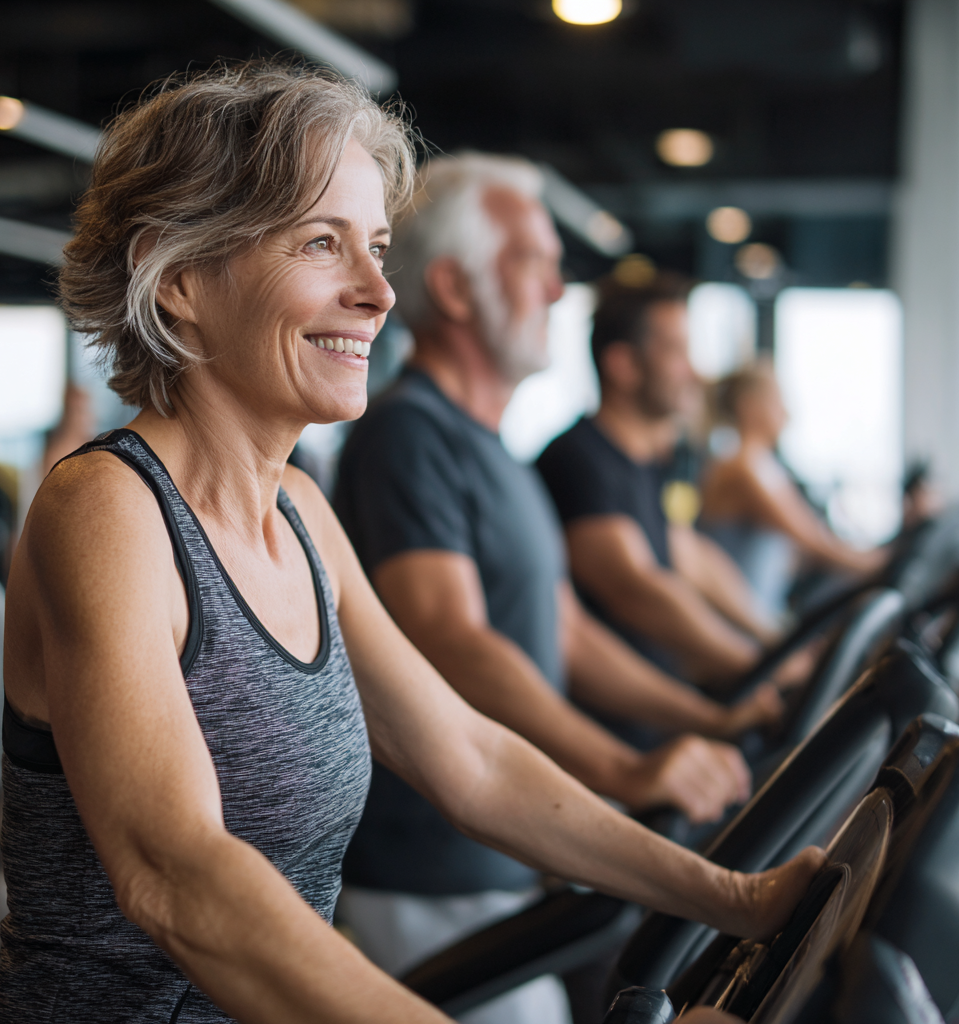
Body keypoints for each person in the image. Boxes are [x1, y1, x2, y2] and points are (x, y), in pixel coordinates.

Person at [0, 66, 822, 1024]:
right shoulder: (108, 510)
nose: (379, 292)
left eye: (377, 247)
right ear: (178, 280)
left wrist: (736, 898)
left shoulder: (300, 512)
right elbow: (177, 877)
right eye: (321, 243)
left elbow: (471, 761)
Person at [332, 154, 786, 1022]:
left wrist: (717, 717)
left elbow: (565, 630)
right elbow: (457, 644)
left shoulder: (492, 447)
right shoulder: (407, 436)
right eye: (533, 262)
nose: (555, 288)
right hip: (433, 865)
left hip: (503, 850)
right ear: (456, 291)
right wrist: (625, 766)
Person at [537, 277, 794, 690]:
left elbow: (690, 557)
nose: (693, 371)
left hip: (671, 695)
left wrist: (777, 639)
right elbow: (638, 592)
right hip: (621, 720)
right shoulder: (578, 459)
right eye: (676, 351)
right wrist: (764, 666)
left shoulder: (652, 463)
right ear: (623, 365)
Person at [700, 359, 888, 619]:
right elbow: (812, 540)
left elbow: (803, 547)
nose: (787, 412)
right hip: (739, 625)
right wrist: (880, 563)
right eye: (777, 400)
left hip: (762, 610)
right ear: (749, 406)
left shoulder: (763, 465)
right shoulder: (742, 466)